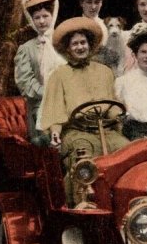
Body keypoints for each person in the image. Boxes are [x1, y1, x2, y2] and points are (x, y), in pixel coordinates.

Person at [38, 17, 130, 171]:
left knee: (129, 154)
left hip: (107, 131)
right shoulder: (59, 75)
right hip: (77, 133)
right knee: (84, 162)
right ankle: (82, 195)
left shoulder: (105, 71)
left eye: (83, 42)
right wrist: (55, 133)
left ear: (89, 45)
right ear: (68, 48)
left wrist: (118, 116)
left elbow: (114, 105)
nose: (80, 47)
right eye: (75, 44)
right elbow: (55, 111)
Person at [13, 0, 65, 144]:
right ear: (31, 20)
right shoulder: (26, 49)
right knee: (49, 139)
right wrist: (49, 94)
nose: (42, 21)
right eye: (37, 17)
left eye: (45, 16)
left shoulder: (63, 42)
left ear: (53, 15)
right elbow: (25, 82)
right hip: (40, 104)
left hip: (66, 101)